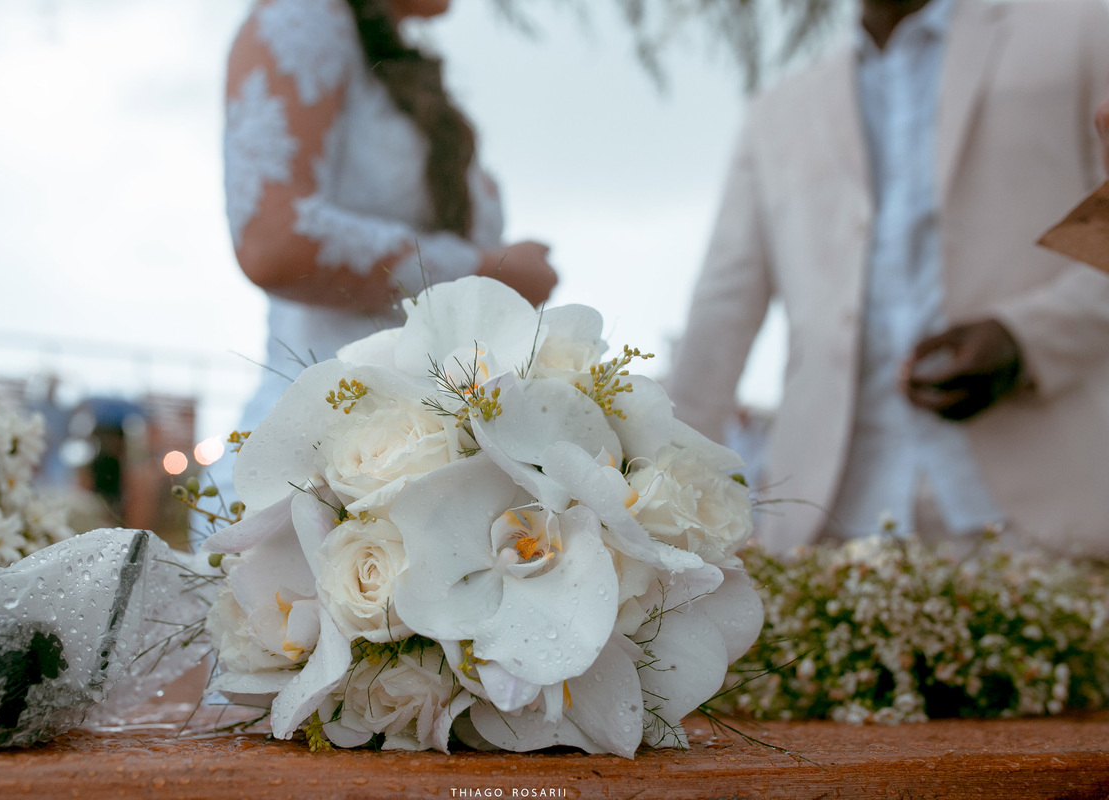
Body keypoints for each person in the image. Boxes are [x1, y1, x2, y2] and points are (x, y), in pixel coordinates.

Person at [668, 0, 1109, 558]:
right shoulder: (777, 113)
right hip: (826, 533)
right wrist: (661, 503)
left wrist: (1026, 337)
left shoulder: (1081, 33)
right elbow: (722, 308)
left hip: (1049, 523)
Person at [208, 0, 558, 524]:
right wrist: (490, 270)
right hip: (324, 466)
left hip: (445, 458)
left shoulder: (385, 57)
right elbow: (273, 241)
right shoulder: (302, 17)